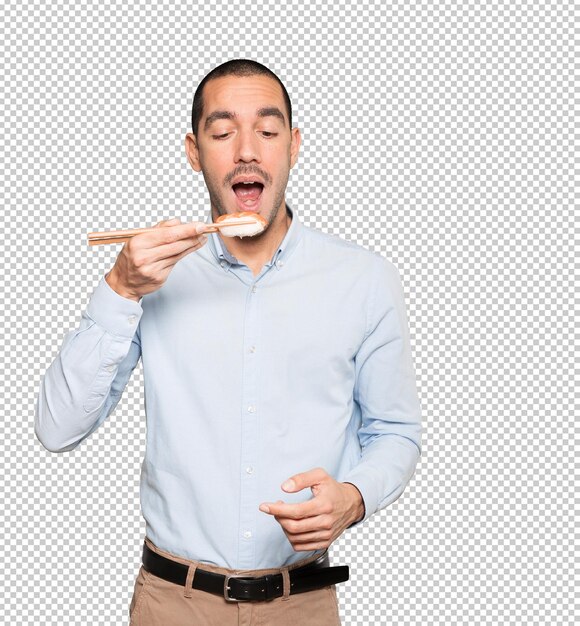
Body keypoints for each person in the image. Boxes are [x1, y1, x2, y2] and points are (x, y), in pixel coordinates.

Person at [35, 59, 422, 626]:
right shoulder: (153, 274)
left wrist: (354, 497)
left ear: (293, 145)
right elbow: (57, 429)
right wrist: (119, 289)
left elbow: (395, 432)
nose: (247, 151)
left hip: (303, 603)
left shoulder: (362, 279)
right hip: (173, 602)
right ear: (193, 152)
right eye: (222, 133)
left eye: (267, 132)